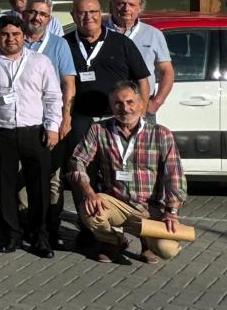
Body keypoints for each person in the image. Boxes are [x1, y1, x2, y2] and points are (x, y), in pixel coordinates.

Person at [60, 0, 152, 248]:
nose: (87, 17)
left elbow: (143, 80)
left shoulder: (121, 43)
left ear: (101, 14)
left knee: (121, 173)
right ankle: (92, 227)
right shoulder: (64, 44)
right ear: (73, 16)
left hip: (117, 119)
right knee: (81, 173)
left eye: (92, 12)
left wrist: (141, 111)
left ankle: (140, 232)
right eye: (81, 13)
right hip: (82, 119)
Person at [0, 15, 63, 258]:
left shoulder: (40, 62)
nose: (10, 39)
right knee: (4, 187)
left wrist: (53, 127)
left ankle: (40, 237)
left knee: (39, 187)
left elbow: (53, 96)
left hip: (35, 132)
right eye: (5, 34)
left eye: (15, 34)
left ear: (23, 36)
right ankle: (12, 235)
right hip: (0, 133)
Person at [67, 81, 188, 265]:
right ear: (111, 106)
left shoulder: (161, 134)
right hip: (116, 204)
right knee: (89, 209)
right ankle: (114, 242)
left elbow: (175, 176)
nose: (125, 108)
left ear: (141, 104)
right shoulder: (99, 130)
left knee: (167, 249)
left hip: (150, 208)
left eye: (130, 102)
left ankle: (147, 242)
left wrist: (171, 211)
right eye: (118, 103)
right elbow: (77, 161)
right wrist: (89, 193)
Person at [22, 0, 79, 246]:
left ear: (49, 18)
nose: (37, 18)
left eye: (43, 14)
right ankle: (26, 224)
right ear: (24, 13)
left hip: (50, 121)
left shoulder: (59, 45)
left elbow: (68, 82)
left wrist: (65, 118)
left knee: (52, 178)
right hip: (21, 120)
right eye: (33, 12)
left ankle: (50, 226)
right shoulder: (12, 39)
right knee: (22, 177)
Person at [106, 0, 176, 115]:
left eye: (132, 4)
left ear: (140, 8)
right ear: (111, 7)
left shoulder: (153, 34)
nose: (126, 8)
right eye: (121, 4)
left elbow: (167, 71)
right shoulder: (99, 31)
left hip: (142, 105)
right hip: (107, 106)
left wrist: (157, 102)